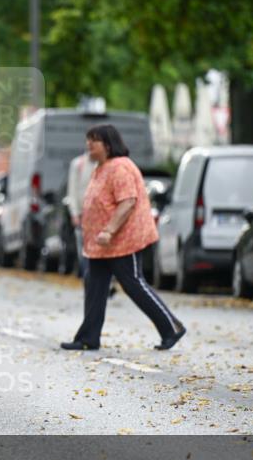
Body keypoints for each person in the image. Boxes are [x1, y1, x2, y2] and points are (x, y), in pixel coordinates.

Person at [61, 124, 186, 352]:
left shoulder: (120, 168)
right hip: (100, 244)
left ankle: (171, 328)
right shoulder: (101, 167)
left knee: (134, 284)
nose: (88, 145)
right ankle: (88, 337)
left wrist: (109, 230)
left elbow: (127, 201)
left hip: (121, 240)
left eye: (94, 141)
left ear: (108, 145)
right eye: (88, 140)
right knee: (95, 286)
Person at [65, 150, 95, 277]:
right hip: (83, 215)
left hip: (100, 215)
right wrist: (75, 213)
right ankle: (88, 278)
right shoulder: (79, 163)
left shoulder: (104, 163)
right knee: (84, 251)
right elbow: (72, 191)